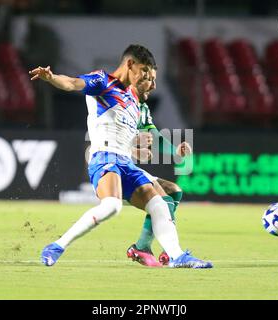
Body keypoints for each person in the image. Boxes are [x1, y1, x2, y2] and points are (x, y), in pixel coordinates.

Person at [29, 44, 212, 269]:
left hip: (126, 163)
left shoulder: (134, 101)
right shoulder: (103, 82)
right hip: (104, 158)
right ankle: (56, 246)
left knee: (160, 203)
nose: (149, 81)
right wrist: (52, 78)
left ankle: (176, 255)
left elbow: (152, 134)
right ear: (130, 65)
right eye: (145, 72)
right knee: (112, 207)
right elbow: (73, 83)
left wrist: (173, 150)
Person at [127, 71, 193, 267]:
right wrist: (133, 148)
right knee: (163, 199)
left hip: (129, 168)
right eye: (149, 81)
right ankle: (169, 250)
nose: (154, 86)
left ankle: (146, 247)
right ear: (136, 81)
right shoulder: (121, 104)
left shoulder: (143, 108)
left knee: (174, 191)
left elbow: (154, 138)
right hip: (114, 170)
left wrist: (176, 152)